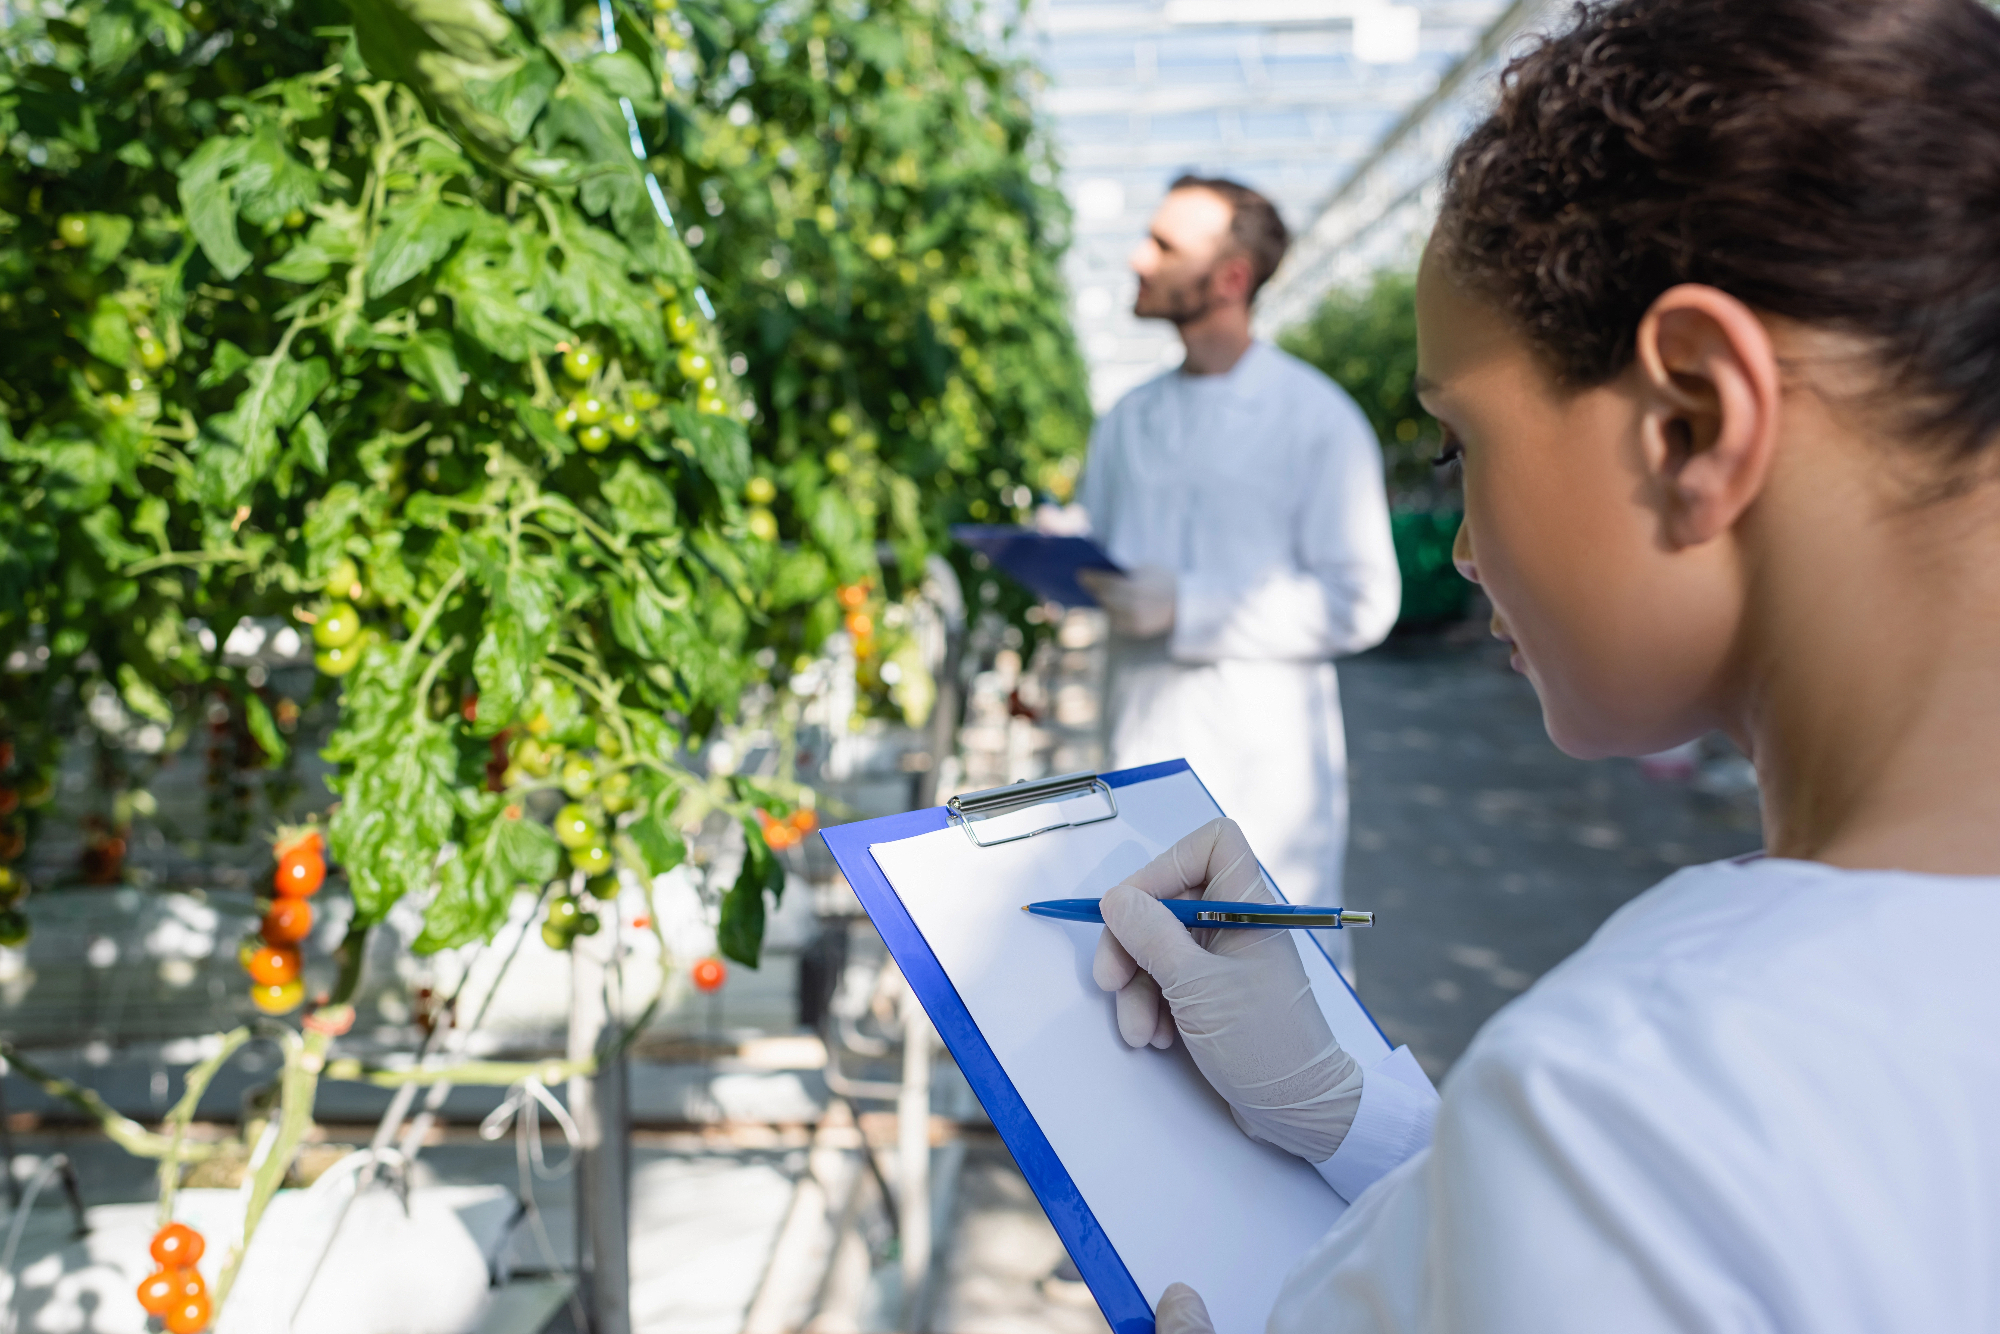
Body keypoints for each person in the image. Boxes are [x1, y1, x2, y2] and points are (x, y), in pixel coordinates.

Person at [1088, 0, 2000, 1328]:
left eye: (1461, 448)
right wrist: (1365, 1117)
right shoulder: (1713, 1088)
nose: (1461, 545)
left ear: (1691, 422)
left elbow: (1621, 1206)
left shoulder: (1630, 1094)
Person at [1066, 177, 1401, 978]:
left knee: (1280, 994)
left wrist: (1191, 606)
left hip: (1263, 770)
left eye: (1165, 246)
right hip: (1139, 744)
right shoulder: (1128, 420)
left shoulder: (1316, 419)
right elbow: (1100, 549)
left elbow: (1363, 601)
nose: (1138, 259)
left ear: (1230, 279)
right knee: (1143, 993)